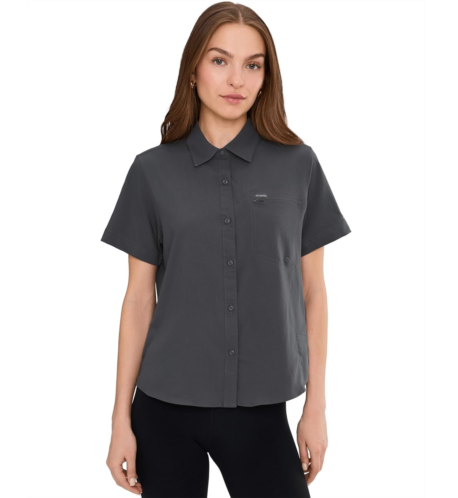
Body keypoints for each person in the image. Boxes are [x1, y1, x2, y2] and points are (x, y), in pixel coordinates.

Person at [102, 3, 351, 497]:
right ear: (193, 69)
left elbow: (313, 292)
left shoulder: (298, 165)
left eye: (252, 64)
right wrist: (119, 421)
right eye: (220, 60)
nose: (237, 78)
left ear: (265, 78)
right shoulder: (151, 172)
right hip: (163, 407)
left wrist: (316, 407)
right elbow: (138, 300)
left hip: (262, 409)